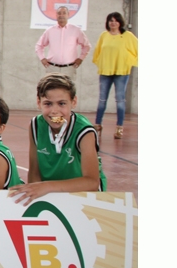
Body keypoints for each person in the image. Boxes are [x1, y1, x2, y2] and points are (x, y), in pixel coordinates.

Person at [8, 73, 107, 206]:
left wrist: (47, 186)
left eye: (61, 104)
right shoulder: (36, 125)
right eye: (48, 104)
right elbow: (34, 171)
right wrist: (36, 192)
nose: (55, 111)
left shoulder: (84, 132)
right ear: (39, 103)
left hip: (82, 195)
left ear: (74, 102)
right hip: (50, 193)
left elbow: (92, 182)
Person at [92, 12, 138, 139]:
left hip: (121, 72)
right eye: (110, 20)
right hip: (105, 72)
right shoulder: (104, 35)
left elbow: (138, 50)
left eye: (115, 20)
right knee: (102, 100)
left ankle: (119, 127)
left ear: (120, 22)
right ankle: (98, 124)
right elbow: (98, 52)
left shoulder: (127, 36)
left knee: (120, 100)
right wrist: (101, 63)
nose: (113, 23)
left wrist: (129, 61)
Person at [34, 6, 90, 80]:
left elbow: (87, 46)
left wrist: (81, 58)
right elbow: (39, 46)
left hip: (69, 68)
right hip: (52, 68)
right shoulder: (50, 31)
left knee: (68, 91)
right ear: (56, 15)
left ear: (68, 15)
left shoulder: (76, 30)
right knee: (51, 90)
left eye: (64, 13)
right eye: (59, 13)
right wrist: (42, 58)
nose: (61, 15)